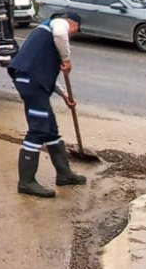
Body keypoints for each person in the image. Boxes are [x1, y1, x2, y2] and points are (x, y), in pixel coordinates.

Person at [7, 11, 87, 198]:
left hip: (34, 82)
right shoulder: (58, 24)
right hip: (31, 82)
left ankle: (64, 174)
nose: (73, 34)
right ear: (72, 23)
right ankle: (26, 182)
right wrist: (66, 59)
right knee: (38, 130)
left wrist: (63, 94)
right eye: (75, 30)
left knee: (50, 128)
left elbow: (45, 74)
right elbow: (61, 33)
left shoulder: (46, 33)